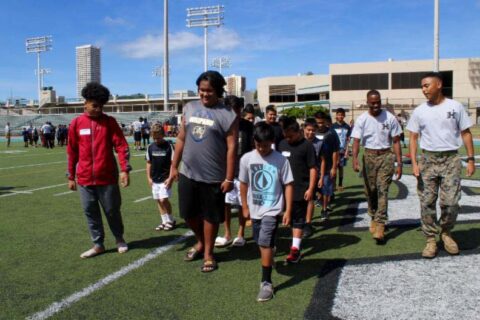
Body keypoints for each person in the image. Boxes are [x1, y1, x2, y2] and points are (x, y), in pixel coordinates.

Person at [169, 71, 238, 273]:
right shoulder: (189, 108)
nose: (204, 95)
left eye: (209, 91)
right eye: (201, 90)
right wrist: (174, 166)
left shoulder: (228, 114)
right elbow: (181, 138)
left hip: (214, 176)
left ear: (218, 91)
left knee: (210, 216)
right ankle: (200, 241)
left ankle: (208, 253)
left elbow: (232, 147)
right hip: (188, 172)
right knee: (188, 214)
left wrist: (229, 177)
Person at [407, 72, 475, 258]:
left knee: (451, 202)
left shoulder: (455, 107)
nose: (423, 89)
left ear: (439, 85)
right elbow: (413, 138)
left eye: (426, 85)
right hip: (427, 160)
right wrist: (414, 163)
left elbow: (466, 133)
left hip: (451, 160)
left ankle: (446, 232)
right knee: (427, 202)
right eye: (422, 86)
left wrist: (470, 159)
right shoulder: (420, 110)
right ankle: (430, 239)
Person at [67, 82, 131, 259]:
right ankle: (98, 244)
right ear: (85, 103)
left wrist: (124, 170)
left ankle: (119, 239)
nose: (98, 109)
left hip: (107, 177)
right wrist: (70, 176)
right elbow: (71, 151)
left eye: (101, 106)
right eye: (95, 105)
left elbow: (121, 146)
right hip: (84, 179)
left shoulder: (109, 122)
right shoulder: (76, 123)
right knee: (90, 211)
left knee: (112, 210)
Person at [239, 122, 293, 302]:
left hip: (273, 209)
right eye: (258, 145)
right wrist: (245, 207)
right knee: (259, 240)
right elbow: (244, 183)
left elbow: (288, 185)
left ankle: (266, 282)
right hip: (255, 209)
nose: (262, 149)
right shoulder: (246, 159)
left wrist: (287, 210)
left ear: (272, 142)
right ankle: (271, 250)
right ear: (254, 141)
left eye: (266, 145)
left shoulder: (280, 160)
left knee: (264, 242)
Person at [351, 89, 402, 243]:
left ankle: (380, 223)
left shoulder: (390, 118)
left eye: (378, 102)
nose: (376, 105)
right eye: (372, 103)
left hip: (386, 156)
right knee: (370, 190)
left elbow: (396, 141)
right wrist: (354, 158)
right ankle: (373, 214)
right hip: (369, 157)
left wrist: (399, 163)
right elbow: (356, 141)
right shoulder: (362, 119)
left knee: (383, 190)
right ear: (367, 103)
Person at [215, 95, 254, 247]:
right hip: (225, 172)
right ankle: (227, 234)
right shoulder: (221, 125)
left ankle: (240, 234)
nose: (234, 113)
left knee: (241, 204)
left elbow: (253, 147)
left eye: (237, 110)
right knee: (225, 204)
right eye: (230, 110)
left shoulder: (248, 126)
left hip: (244, 172)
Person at [278, 117, 317, 263]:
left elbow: (313, 168)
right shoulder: (281, 144)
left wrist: (311, 188)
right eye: (285, 136)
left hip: (300, 189)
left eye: (290, 136)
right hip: (281, 190)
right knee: (283, 219)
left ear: (298, 132)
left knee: (297, 219)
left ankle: (295, 249)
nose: (288, 139)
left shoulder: (307, 146)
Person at [146, 124, 176, 231]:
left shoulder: (169, 146)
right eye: (154, 138)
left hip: (165, 179)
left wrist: (171, 177)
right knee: (158, 200)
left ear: (163, 135)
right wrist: (149, 177)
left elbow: (173, 163)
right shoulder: (150, 147)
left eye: (158, 138)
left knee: (164, 200)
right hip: (155, 179)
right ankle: (164, 221)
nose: (156, 140)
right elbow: (149, 163)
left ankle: (171, 220)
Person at [314, 112, 340, 220]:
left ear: (325, 121)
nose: (320, 125)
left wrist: (334, 167)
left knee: (325, 189)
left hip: (327, 166)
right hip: (314, 166)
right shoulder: (312, 132)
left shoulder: (331, 133)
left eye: (321, 122)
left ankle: (324, 209)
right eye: (317, 122)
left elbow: (335, 151)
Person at [302, 118, 322, 237]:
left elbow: (322, 160)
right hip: (299, 174)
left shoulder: (319, 143)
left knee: (310, 199)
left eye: (313, 130)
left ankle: (308, 223)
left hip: (313, 174)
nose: (310, 133)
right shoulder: (298, 141)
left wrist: (320, 176)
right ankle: (299, 222)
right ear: (304, 129)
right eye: (308, 130)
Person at [331, 108, 352, 192]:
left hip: (343, 151)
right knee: (334, 167)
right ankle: (333, 185)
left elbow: (348, 139)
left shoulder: (347, 127)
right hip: (334, 151)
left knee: (341, 168)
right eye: (338, 114)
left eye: (342, 114)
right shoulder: (332, 126)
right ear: (336, 115)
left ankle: (340, 184)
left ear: (344, 115)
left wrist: (347, 151)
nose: (340, 116)